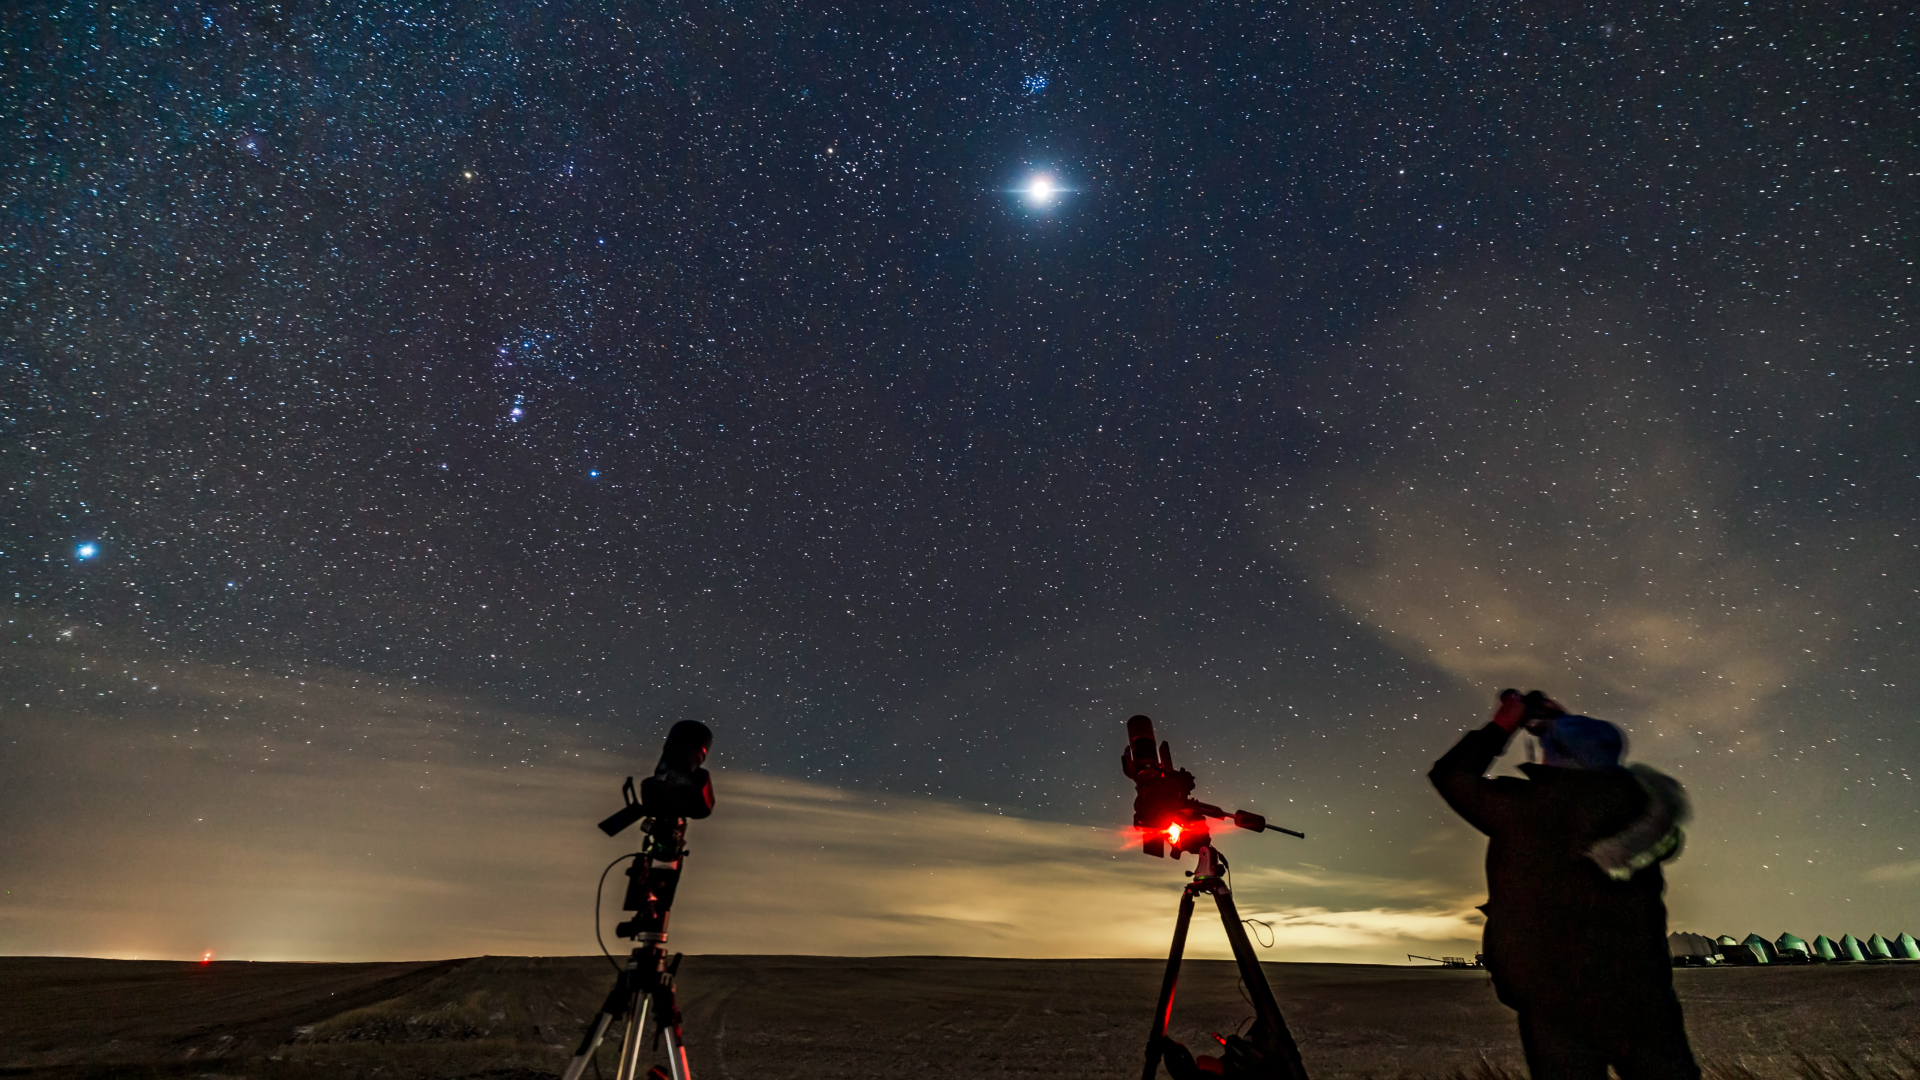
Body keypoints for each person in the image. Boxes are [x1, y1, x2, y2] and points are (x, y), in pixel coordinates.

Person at [1429, 690, 1700, 1080]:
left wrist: (1503, 724)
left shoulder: (1529, 806)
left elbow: (1451, 775)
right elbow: (1592, 760)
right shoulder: (1642, 805)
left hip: (1554, 997)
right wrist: (1564, 727)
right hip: (1642, 990)